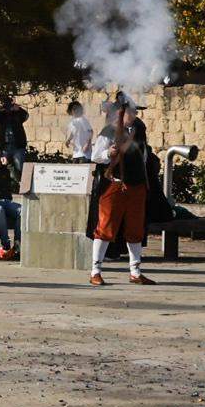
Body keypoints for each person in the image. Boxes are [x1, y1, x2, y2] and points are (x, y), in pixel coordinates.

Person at [88, 109, 159, 286]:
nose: (135, 114)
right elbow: (95, 156)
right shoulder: (108, 131)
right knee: (105, 229)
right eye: (132, 111)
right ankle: (95, 271)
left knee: (135, 230)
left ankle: (135, 272)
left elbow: (143, 159)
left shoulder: (139, 131)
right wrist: (108, 154)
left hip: (137, 186)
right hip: (115, 185)